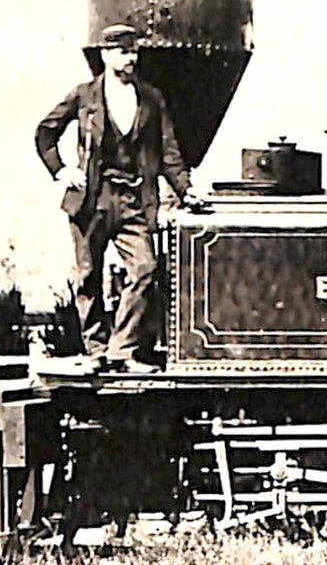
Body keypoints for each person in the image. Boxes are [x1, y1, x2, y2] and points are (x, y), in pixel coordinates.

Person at [33, 24, 206, 373]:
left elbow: (169, 153)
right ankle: (96, 352)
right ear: (105, 55)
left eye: (134, 51)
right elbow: (45, 132)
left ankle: (122, 350)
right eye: (123, 52)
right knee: (88, 277)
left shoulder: (151, 98)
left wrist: (187, 190)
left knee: (146, 269)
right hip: (90, 200)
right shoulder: (84, 95)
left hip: (134, 201)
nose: (131, 59)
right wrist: (61, 170)